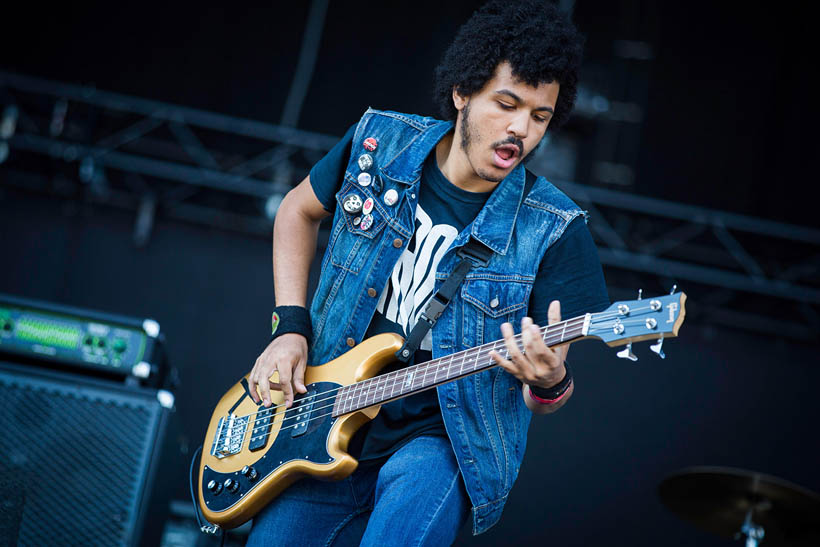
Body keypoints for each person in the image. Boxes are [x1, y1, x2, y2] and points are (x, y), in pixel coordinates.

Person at [246, 1, 609, 545]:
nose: (521, 130)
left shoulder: (554, 228)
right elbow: (296, 211)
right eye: (506, 104)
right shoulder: (380, 143)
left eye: (540, 117)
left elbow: (549, 387)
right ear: (463, 92)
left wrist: (549, 382)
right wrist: (289, 328)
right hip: (320, 417)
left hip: (439, 441)